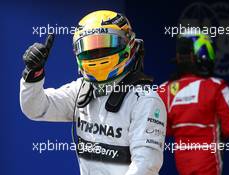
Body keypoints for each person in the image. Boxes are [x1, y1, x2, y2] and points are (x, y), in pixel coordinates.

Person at [20, 10, 166, 175]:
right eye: (90, 48)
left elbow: (145, 166)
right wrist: (33, 74)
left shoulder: (145, 100)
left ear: (128, 43)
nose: (97, 55)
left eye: (106, 45)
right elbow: (35, 109)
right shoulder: (81, 89)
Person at [158, 32, 229, 175]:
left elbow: (164, 130)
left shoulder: (164, 89)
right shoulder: (216, 87)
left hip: (182, 165)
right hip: (209, 166)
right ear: (202, 52)